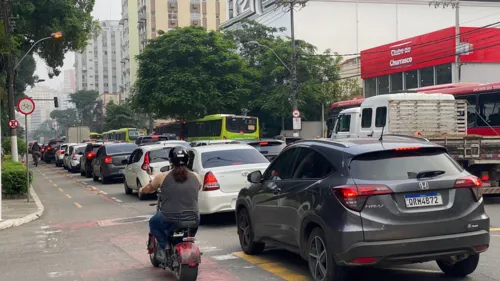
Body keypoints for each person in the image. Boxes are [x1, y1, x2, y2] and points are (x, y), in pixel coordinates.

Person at [139, 146, 202, 260]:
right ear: (187, 160)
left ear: (170, 160)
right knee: (191, 230)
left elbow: (149, 188)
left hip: (169, 218)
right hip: (193, 218)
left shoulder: (162, 177)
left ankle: (164, 246)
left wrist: (141, 190)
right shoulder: (196, 176)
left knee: (153, 222)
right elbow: (197, 188)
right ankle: (188, 241)